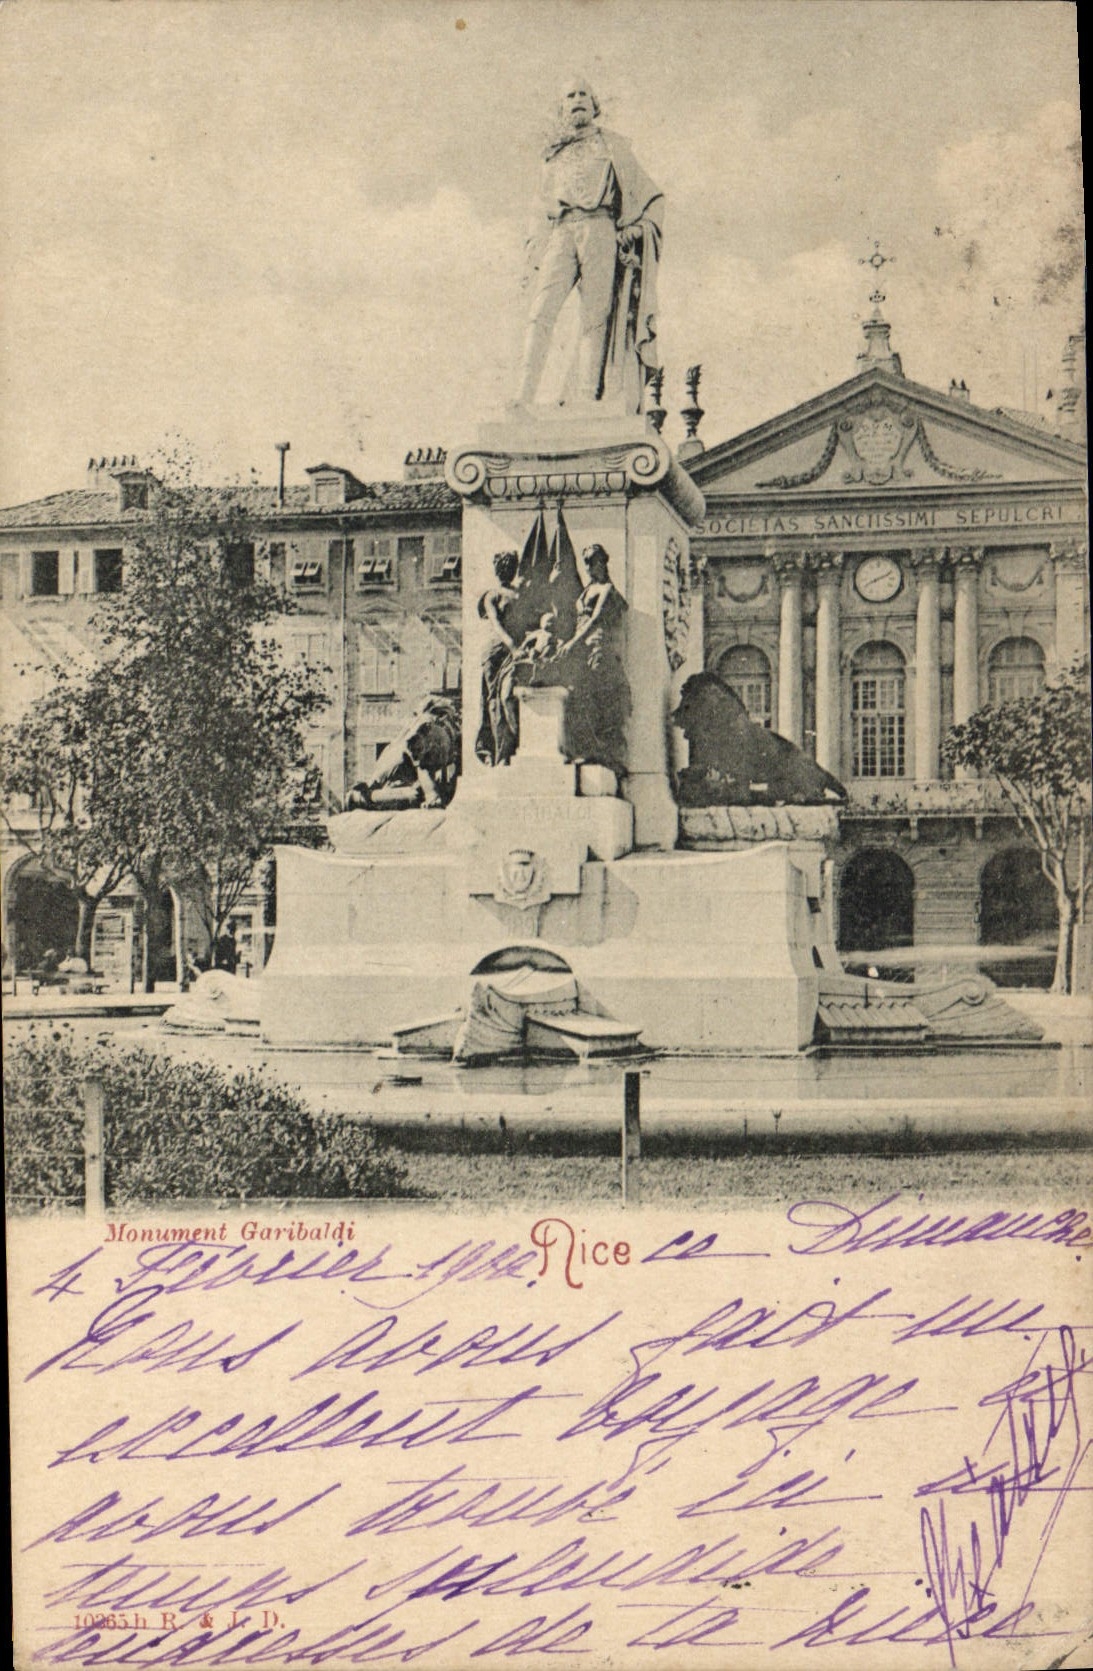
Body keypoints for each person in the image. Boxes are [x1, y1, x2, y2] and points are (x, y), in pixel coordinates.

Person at [516, 78, 663, 412]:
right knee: (540, 312)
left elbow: (651, 196)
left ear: (596, 105)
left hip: (600, 227)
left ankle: (586, 397)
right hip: (562, 230)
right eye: (570, 95)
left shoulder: (614, 147)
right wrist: (532, 253)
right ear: (562, 108)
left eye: (584, 94)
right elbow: (539, 208)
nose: (578, 99)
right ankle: (522, 395)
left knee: (595, 317)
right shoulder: (553, 156)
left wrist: (637, 228)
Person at [551, 544, 630, 774]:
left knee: (596, 699)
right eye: (585, 562)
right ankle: (586, 749)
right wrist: (555, 584)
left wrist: (573, 643)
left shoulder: (606, 589)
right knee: (582, 698)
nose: (588, 567)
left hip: (598, 648)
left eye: (592, 562)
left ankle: (601, 753)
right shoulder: (586, 590)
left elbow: (595, 619)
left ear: (603, 562)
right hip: (583, 651)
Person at [475, 551, 523, 767]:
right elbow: (496, 623)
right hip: (495, 653)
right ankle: (500, 755)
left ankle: (514, 747)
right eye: (501, 567)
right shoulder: (491, 596)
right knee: (494, 705)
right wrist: (512, 645)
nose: (504, 570)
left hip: (515, 654)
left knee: (509, 698)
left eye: (508, 566)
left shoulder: (520, 595)